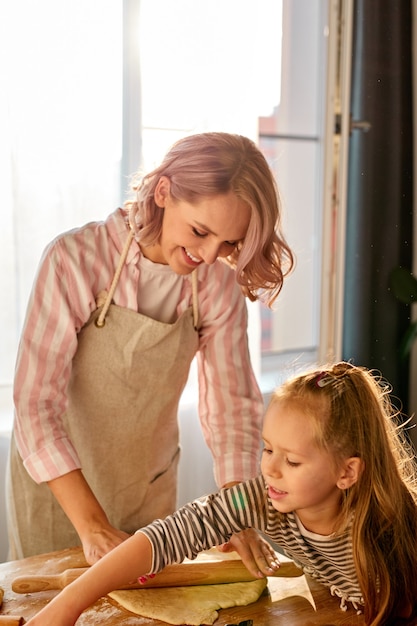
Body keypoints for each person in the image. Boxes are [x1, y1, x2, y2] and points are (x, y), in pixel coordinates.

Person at [6, 132, 294, 568]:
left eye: (229, 244)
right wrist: (92, 526)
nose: (209, 254)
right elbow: (34, 406)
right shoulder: (75, 260)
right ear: (163, 192)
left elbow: (231, 408)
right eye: (200, 231)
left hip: (146, 490)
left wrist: (237, 515)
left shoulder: (217, 284)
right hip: (61, 495)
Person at [25, 362, 417, 626]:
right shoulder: (262, 499)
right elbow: (170, 534)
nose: (270, 469)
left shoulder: (388, 526)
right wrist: (68, 604)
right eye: (267, 450)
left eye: (292, 461)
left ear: (347, 472)